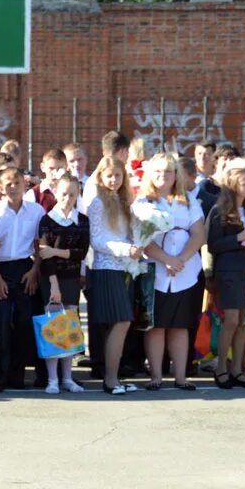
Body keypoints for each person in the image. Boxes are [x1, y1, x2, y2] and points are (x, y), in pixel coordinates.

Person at [136, 154, 205, 391]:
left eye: (168, 171)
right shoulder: (143, 202)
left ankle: (180, 376)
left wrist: (180, 260)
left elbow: (198, 233)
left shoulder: (188, 201)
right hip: (156, 272)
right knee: (156, 326)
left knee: (180, 325)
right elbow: (142, 238)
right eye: (158, 172)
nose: (163, 176)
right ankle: (155, 376)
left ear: (176, 175)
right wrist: (166, 259)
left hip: (185, 272)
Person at [206, 160, 245, 388]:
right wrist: (238, 238)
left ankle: (237, 368)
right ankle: (221, 367)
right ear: (233, 184)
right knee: (230, 320)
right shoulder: (219, 210)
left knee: (243, 321)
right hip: (228, 271)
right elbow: (213, 244)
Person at [0, 168, 43, 392]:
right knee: (2, 324)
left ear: (24, 184)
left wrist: (35, 271)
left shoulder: (36, 211)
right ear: (0, 187)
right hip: (1, 268)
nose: (13, 186)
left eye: (17, 182)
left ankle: (17, 377)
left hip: (25, 268)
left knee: (24, 323)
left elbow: (39, 245)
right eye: (8, 183)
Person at [86, 156, 140, 395]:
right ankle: (110, 380)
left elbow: (127, 234)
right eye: (109, 175)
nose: (113, 179)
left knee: (121, 323)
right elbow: (96, 240)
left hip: (124, 267)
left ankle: (113, 378)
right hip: (106, 267)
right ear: (100, 177)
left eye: (118, 175)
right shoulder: (98, 203)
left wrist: (136, 245)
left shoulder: (124, 201)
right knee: (121, 321)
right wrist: (123, 248)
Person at [35, 174, 90, 393]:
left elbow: (81, 253)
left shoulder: (82, 221)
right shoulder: (47, 220)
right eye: (64, 193)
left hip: (72, 280)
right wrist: (54, 284)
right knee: (53, 327)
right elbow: (44, 257)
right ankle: (52, 379)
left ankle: (68, 377)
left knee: (70, 328)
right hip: (52, 281)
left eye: (72, 194)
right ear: (56, 193)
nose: (67, 198)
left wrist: (56, 252)